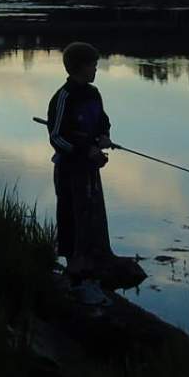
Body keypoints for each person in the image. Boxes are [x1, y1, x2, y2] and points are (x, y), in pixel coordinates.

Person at [46, 41, 114, 282]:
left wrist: (104, 137)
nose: (96, 69)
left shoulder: (93, 94)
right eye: (92, 65)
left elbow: (102, 121)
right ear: (78, 67)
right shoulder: (63, 97)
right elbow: (56, 137)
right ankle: (73, 262)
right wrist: (83, 151)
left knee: (91, 212)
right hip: (68, 168)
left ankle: (91, 257)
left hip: (90, 166)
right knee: (70, 212)